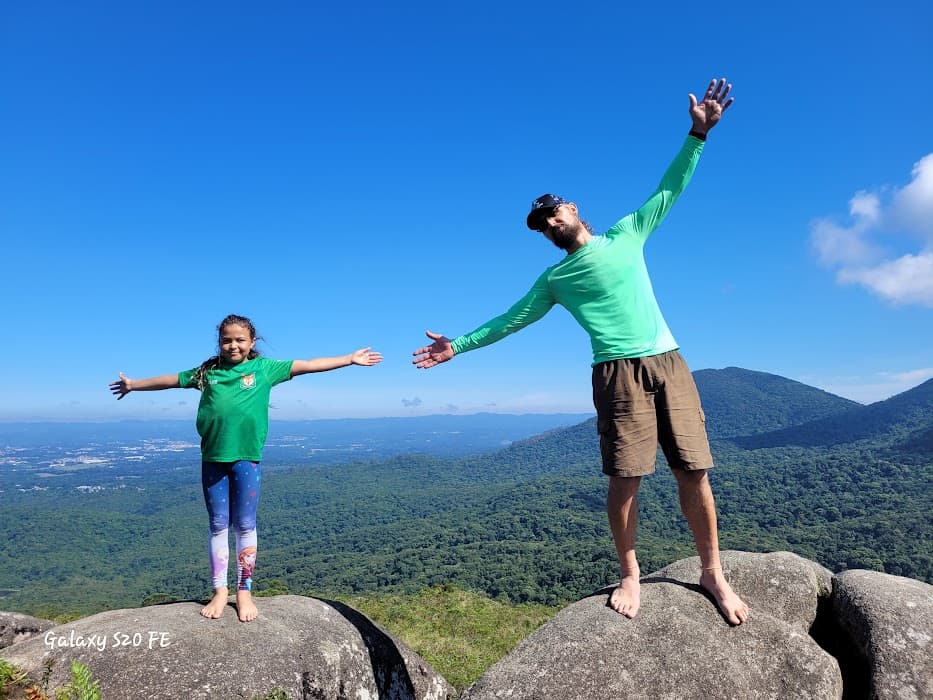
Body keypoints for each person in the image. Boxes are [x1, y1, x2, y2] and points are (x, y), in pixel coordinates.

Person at [412, 78, 749, 624]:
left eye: (552, 213)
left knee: (694, 471)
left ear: (572, 208)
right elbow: (510, 320)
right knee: (626, 477)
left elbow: (669, 189)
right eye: (542, 224)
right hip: (615, 373)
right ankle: (631, 574)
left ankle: (713, 572)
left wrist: (698, 135)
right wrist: (460, 345)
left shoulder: (626, 235)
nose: (549, 223)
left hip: (669, 361)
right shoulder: (555, 279)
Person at [110, 314, 382, 622]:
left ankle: (244, 591)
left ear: (252, 342)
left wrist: (349, 359)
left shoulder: (264, 369)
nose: (233, 345)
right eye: (226, 340)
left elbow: (308, 365)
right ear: (219, 342)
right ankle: (219, 591)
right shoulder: (207, 372)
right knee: (218, 525)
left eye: (240, 340)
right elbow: (170, 380)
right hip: (213, 458)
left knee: (245, 525)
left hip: (247, 459)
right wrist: (133, 385)